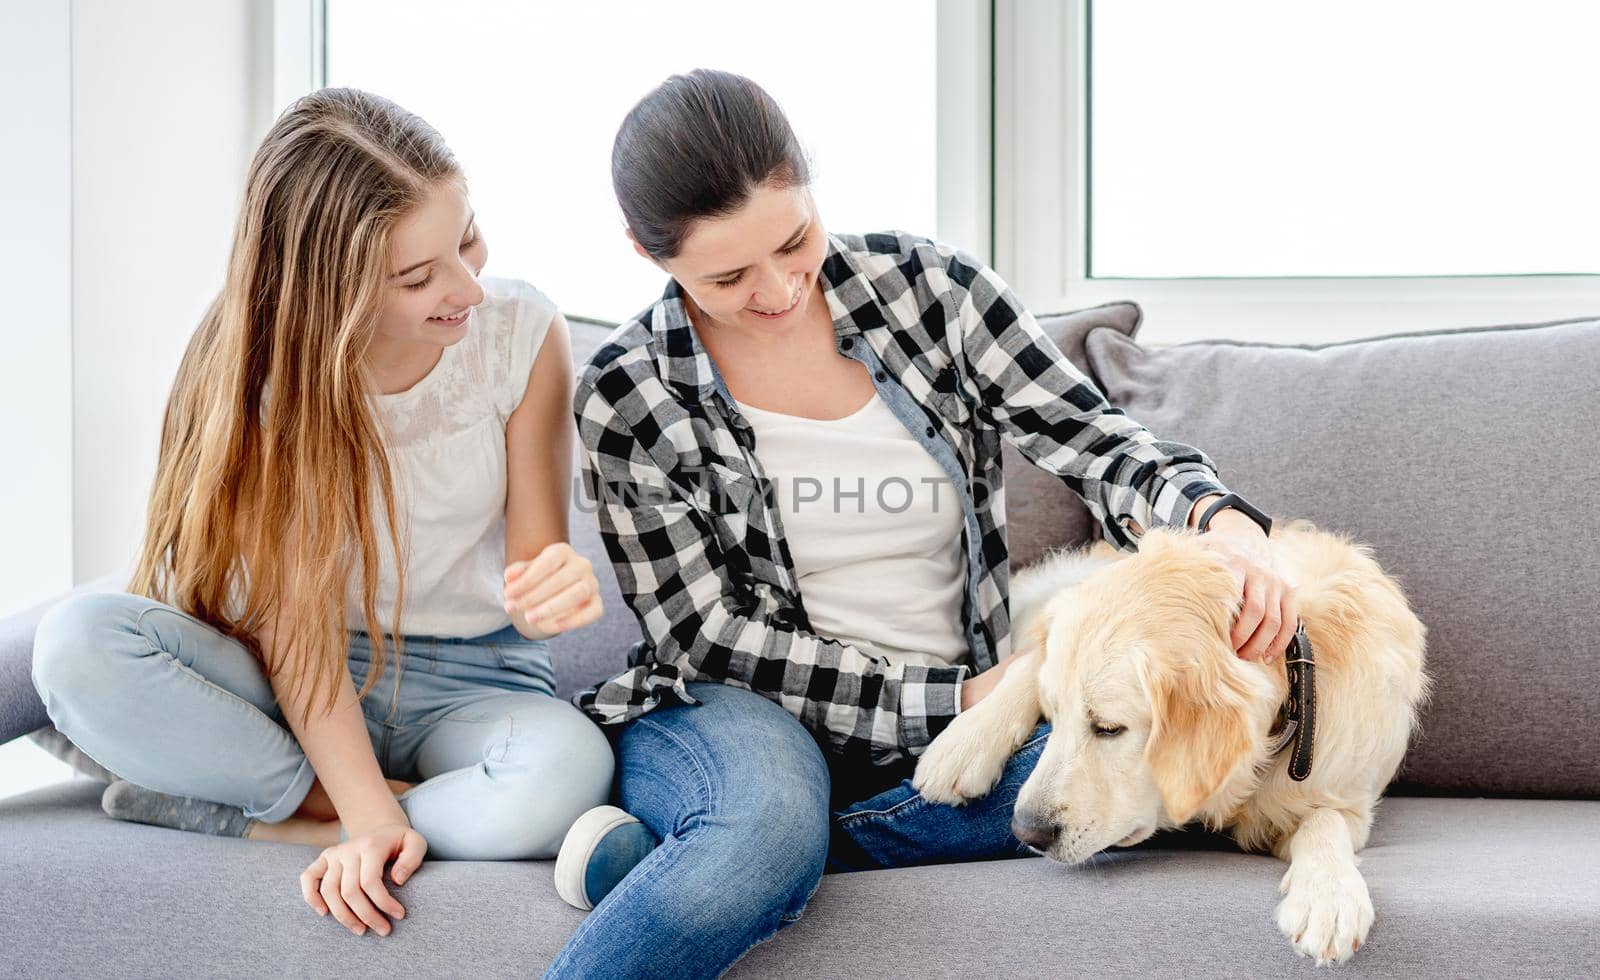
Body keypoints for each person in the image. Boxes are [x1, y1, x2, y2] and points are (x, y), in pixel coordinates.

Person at [545, 69, 1297, 978]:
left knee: (1158, 783)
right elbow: (711, 637)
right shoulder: (627, 394)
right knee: (766, 827)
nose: (781, 289)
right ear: (647, 252)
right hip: (741, 709)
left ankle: (688, 855)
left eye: (795, 240)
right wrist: (965, 702)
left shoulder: (930, 291)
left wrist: (1220, 520)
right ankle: (739, 845)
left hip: (960, 718)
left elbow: (1091, 439)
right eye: (729, 276)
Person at [29, 88, 636, 939]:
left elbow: (534, 560)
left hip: (479, 678)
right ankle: (320, 818)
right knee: (79, 644)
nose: (467, 286)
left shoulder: (524, 333)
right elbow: (293, 636)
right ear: (330, 292)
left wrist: (550, 586)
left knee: (566, 771)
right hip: (300, 673)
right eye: (419, 276)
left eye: (465, 238)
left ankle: (235, 808)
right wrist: (366, 817)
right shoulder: (258, 381)